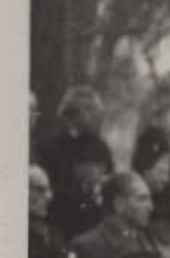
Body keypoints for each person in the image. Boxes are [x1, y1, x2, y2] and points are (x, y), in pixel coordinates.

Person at [38, 85, 115, 241]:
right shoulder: (50, 147)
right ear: (71, 115)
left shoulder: (101, 147)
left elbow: (110, 183)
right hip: (60, 229)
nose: (97, 117)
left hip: (94, 229)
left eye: (97, 113)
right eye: (90, 112)